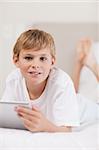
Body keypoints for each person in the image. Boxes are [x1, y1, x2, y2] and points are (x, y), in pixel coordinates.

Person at [1, 29, 79, 132]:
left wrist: (45, 126)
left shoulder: (62, 83)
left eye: (42, 59)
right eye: (28, 58)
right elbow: (5, 117)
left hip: (82, 105)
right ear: (16, 60)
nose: (36, 65)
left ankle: (81, 63)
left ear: (52, 62)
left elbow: (67, 130)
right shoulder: (13, 80)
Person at [72, 38, 99, 129]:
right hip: (82, 101)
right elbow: (72, 93)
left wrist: (93, 64)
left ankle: (93, 65)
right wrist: (79, 63)